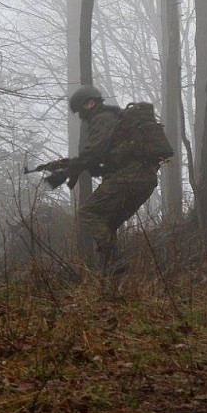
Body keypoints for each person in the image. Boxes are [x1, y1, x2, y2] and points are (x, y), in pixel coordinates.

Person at [66, 84, 172, 275]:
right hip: (145, 179)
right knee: (106, 223)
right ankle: (113, 279)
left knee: (88, 212)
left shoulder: (102, 119)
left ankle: (115, 263)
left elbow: (95, 150)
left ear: (89, 104)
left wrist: (75, 164)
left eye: (81, 110)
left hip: (130, 177)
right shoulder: (117, 119)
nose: (81, 116)